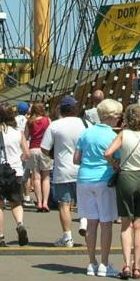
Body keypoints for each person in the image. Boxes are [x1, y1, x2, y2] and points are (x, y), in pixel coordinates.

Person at [105, 102, 140, 278]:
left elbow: (107, 153)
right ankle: (137, 266)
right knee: (139, 225)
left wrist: (115, 164)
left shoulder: (123, 134)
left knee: (126, 223)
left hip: (126, 176)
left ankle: (126, 264)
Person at [75, 97, 122, 276]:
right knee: (106, 223)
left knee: (91, 223)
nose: (118, 119)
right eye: (117, 116)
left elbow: (76, 158)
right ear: (111, 117)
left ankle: (91, 262)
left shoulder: (86, 133)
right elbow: (116, 158)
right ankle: (104, 263)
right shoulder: (112, 135)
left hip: (84, 178)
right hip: (104, 178)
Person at [41, 95, 86, 247]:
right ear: (75, 109)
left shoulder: (55, 125)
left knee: (64, 204)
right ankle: (84, 223)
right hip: (82, 168)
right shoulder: (85, 123)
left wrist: (55, 155)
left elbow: (44, 148)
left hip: (63, 168)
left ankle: (67, 237)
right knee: (84, 202)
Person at [0, 103, 29, 247]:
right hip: (15, 170)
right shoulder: (18, 132)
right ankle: (20, 224)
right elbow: (26, 153)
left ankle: (0, 235)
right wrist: (18, 160)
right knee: (16, 202)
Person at [25, 101, 52, 213]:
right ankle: (45, 202)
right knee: (46, 177)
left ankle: (39, 202)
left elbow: (25, 136)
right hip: (45, 149)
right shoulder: (47, 120)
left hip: (33, 149)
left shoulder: (29, 122)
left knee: (36, 177)